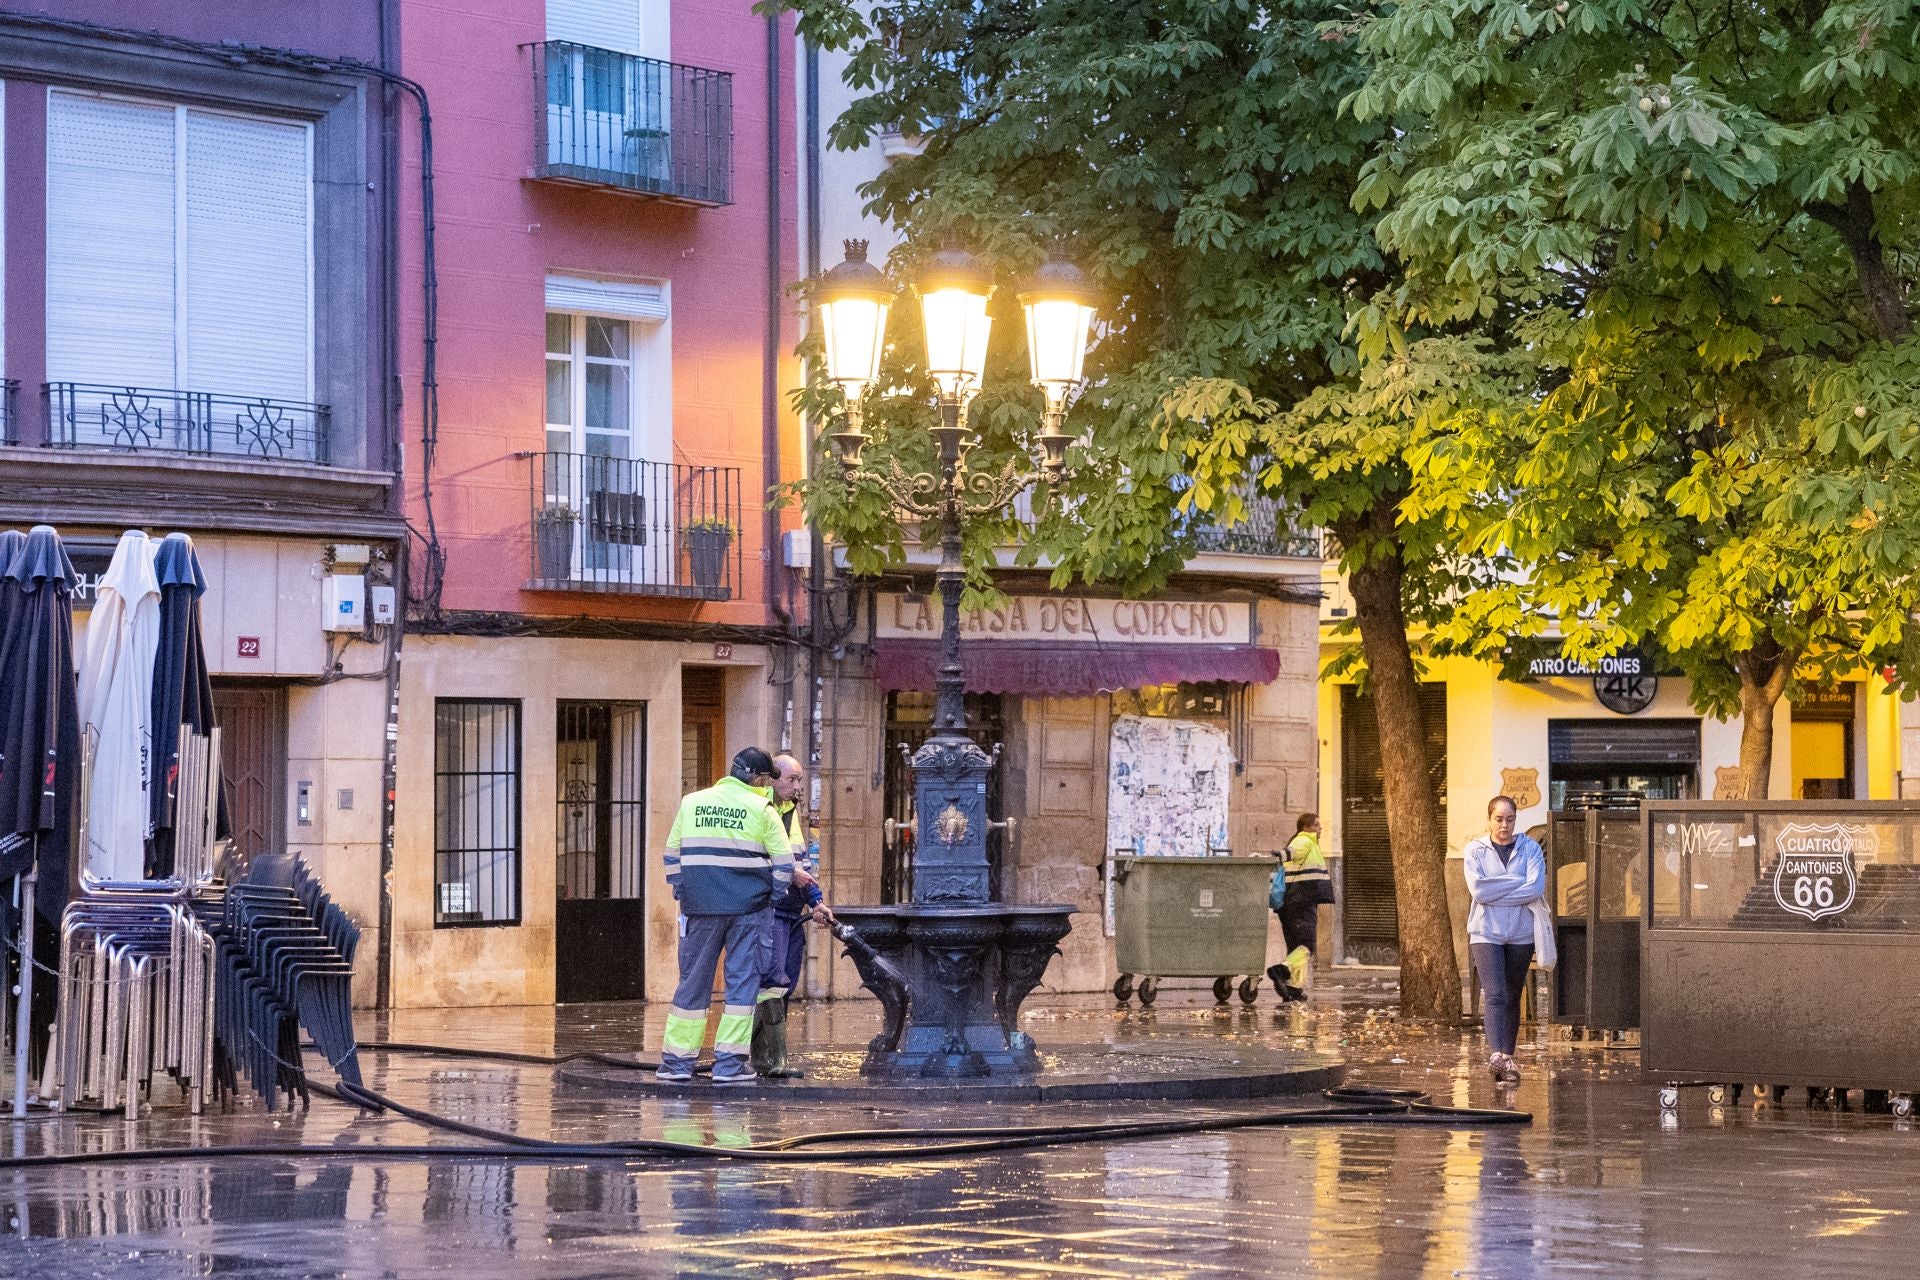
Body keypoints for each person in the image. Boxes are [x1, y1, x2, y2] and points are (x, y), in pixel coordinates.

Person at [658, 747, 794, 1086]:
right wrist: (770, 899)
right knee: (742, 985)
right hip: (749, 912)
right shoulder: (763, 809)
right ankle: (729, 1066)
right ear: (759, 779)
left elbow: (671, 855)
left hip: (700, 910)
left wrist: (684, 893)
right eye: (766, 780)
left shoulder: (692, 803)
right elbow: (784, 865)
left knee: (692, 984)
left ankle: (676, 1064)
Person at [753, 753, 834, 1078]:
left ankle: (774, 1057)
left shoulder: (791, 814)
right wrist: (790, 874)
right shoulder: (760, 811)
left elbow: (803, 865)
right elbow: (759, 861)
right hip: (769, 911)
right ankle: (769, 1059)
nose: (798, 786)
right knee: (772, 982)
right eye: (792, 779)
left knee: (786, 982)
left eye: (800, 780)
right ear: (773, 779)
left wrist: (816, 902)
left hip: (790, 913)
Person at [1464, 794, 1548, 1085]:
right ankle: (1496, 1056)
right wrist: (1517, 883)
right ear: (1489, 819)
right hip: (1485, 932)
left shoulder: (1531, 848)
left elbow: (1535, 889)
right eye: (1499, 819)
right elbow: (1479, 892)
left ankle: (1506, 1059)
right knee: (1496, 994)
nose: (1504, 825)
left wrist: (1498, 889)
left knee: (1513, 995)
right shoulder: (1475, 850)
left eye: (1510, 819)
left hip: (1521, 933)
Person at [1267, 813, 1334, 1001]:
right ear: (1307, 827)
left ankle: (1293, 988)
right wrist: (1278, 855)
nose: (1321, 828)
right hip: (1300, 903)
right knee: (1306, 947)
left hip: (1293, 904)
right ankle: (1281, 970)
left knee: (1297, 948)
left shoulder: (1307, 843)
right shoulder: (1304, 841)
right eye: (1317, 825)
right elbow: (1291, 852)